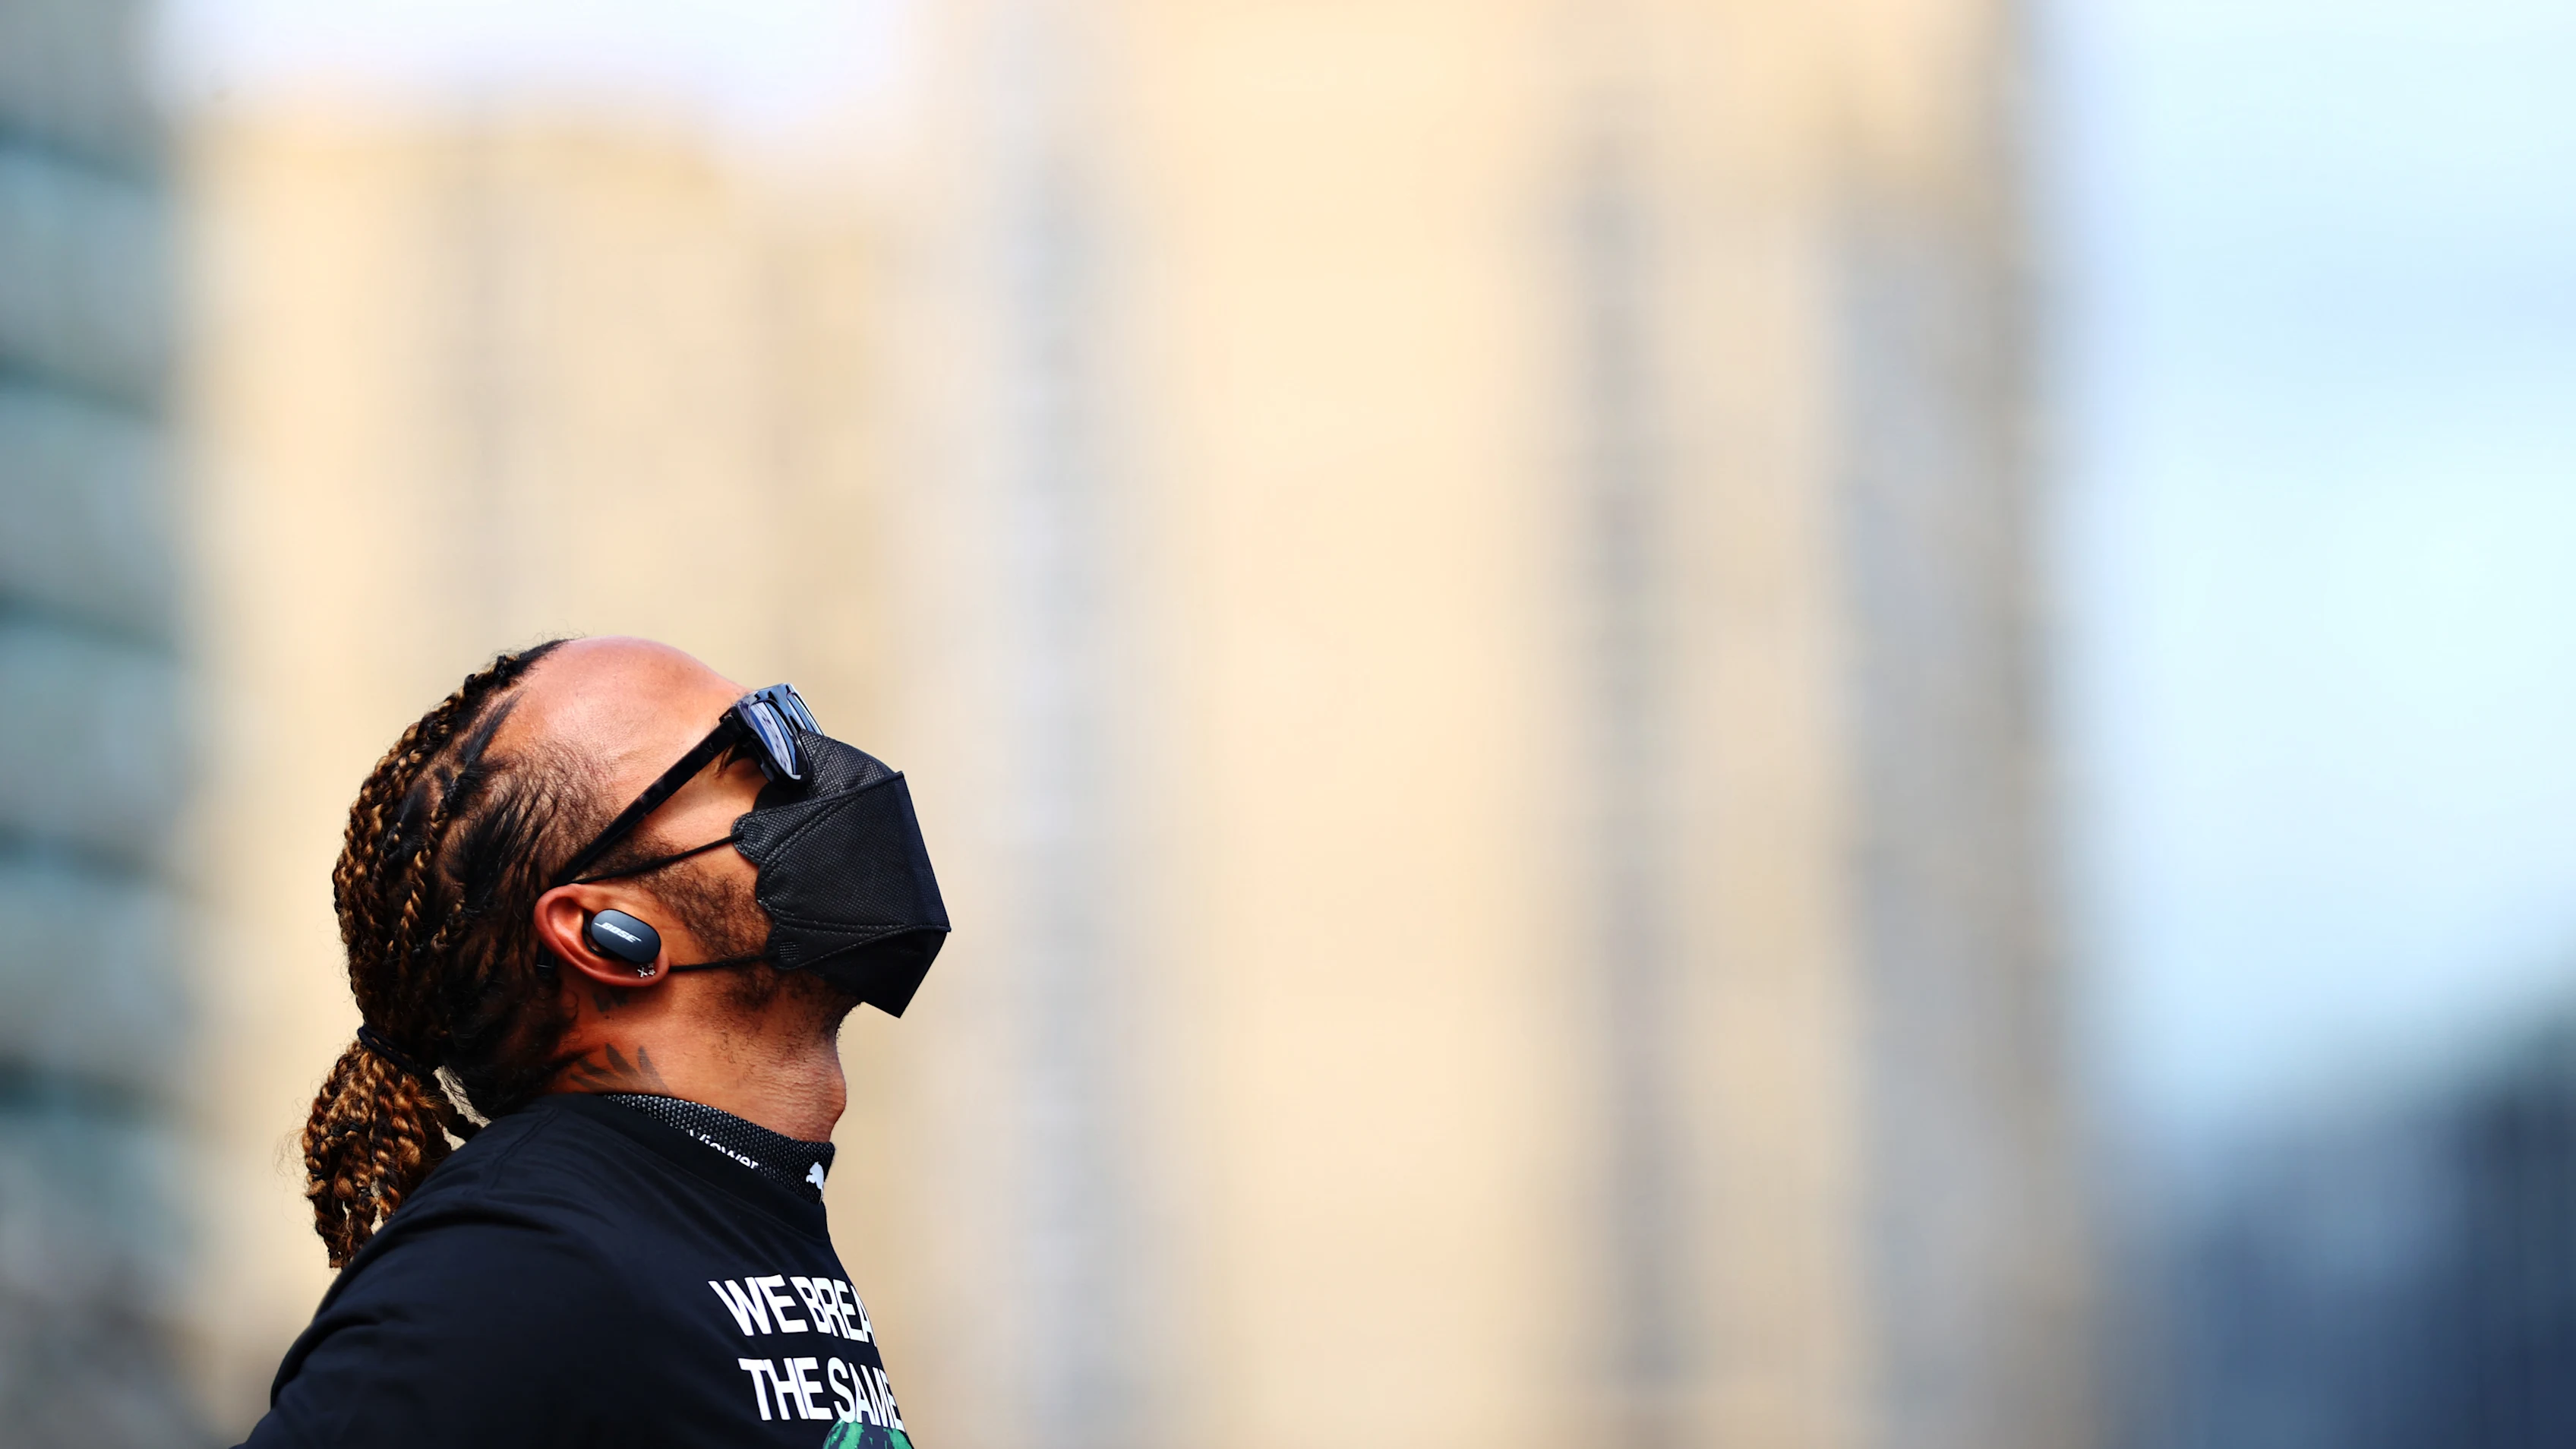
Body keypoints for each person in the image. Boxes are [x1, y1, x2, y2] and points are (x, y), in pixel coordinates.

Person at [235, 636, 949, 1449]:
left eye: (794, 719)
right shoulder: (510, 1262)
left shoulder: (718, 1197)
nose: (819, 772)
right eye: (752, 749)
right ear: (608, 936)